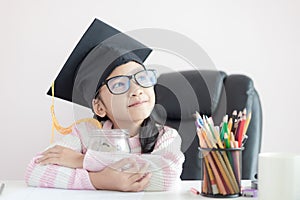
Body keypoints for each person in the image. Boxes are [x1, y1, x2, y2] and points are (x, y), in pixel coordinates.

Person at [25, 19, 185, 192]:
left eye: (142, 78)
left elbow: (168, 175)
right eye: (119, 85)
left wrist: (83, 161)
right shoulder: (85, 133)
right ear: (99, 107)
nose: (137, 90)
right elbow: (35, 171)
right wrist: (99, 180)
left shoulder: (166, 136)